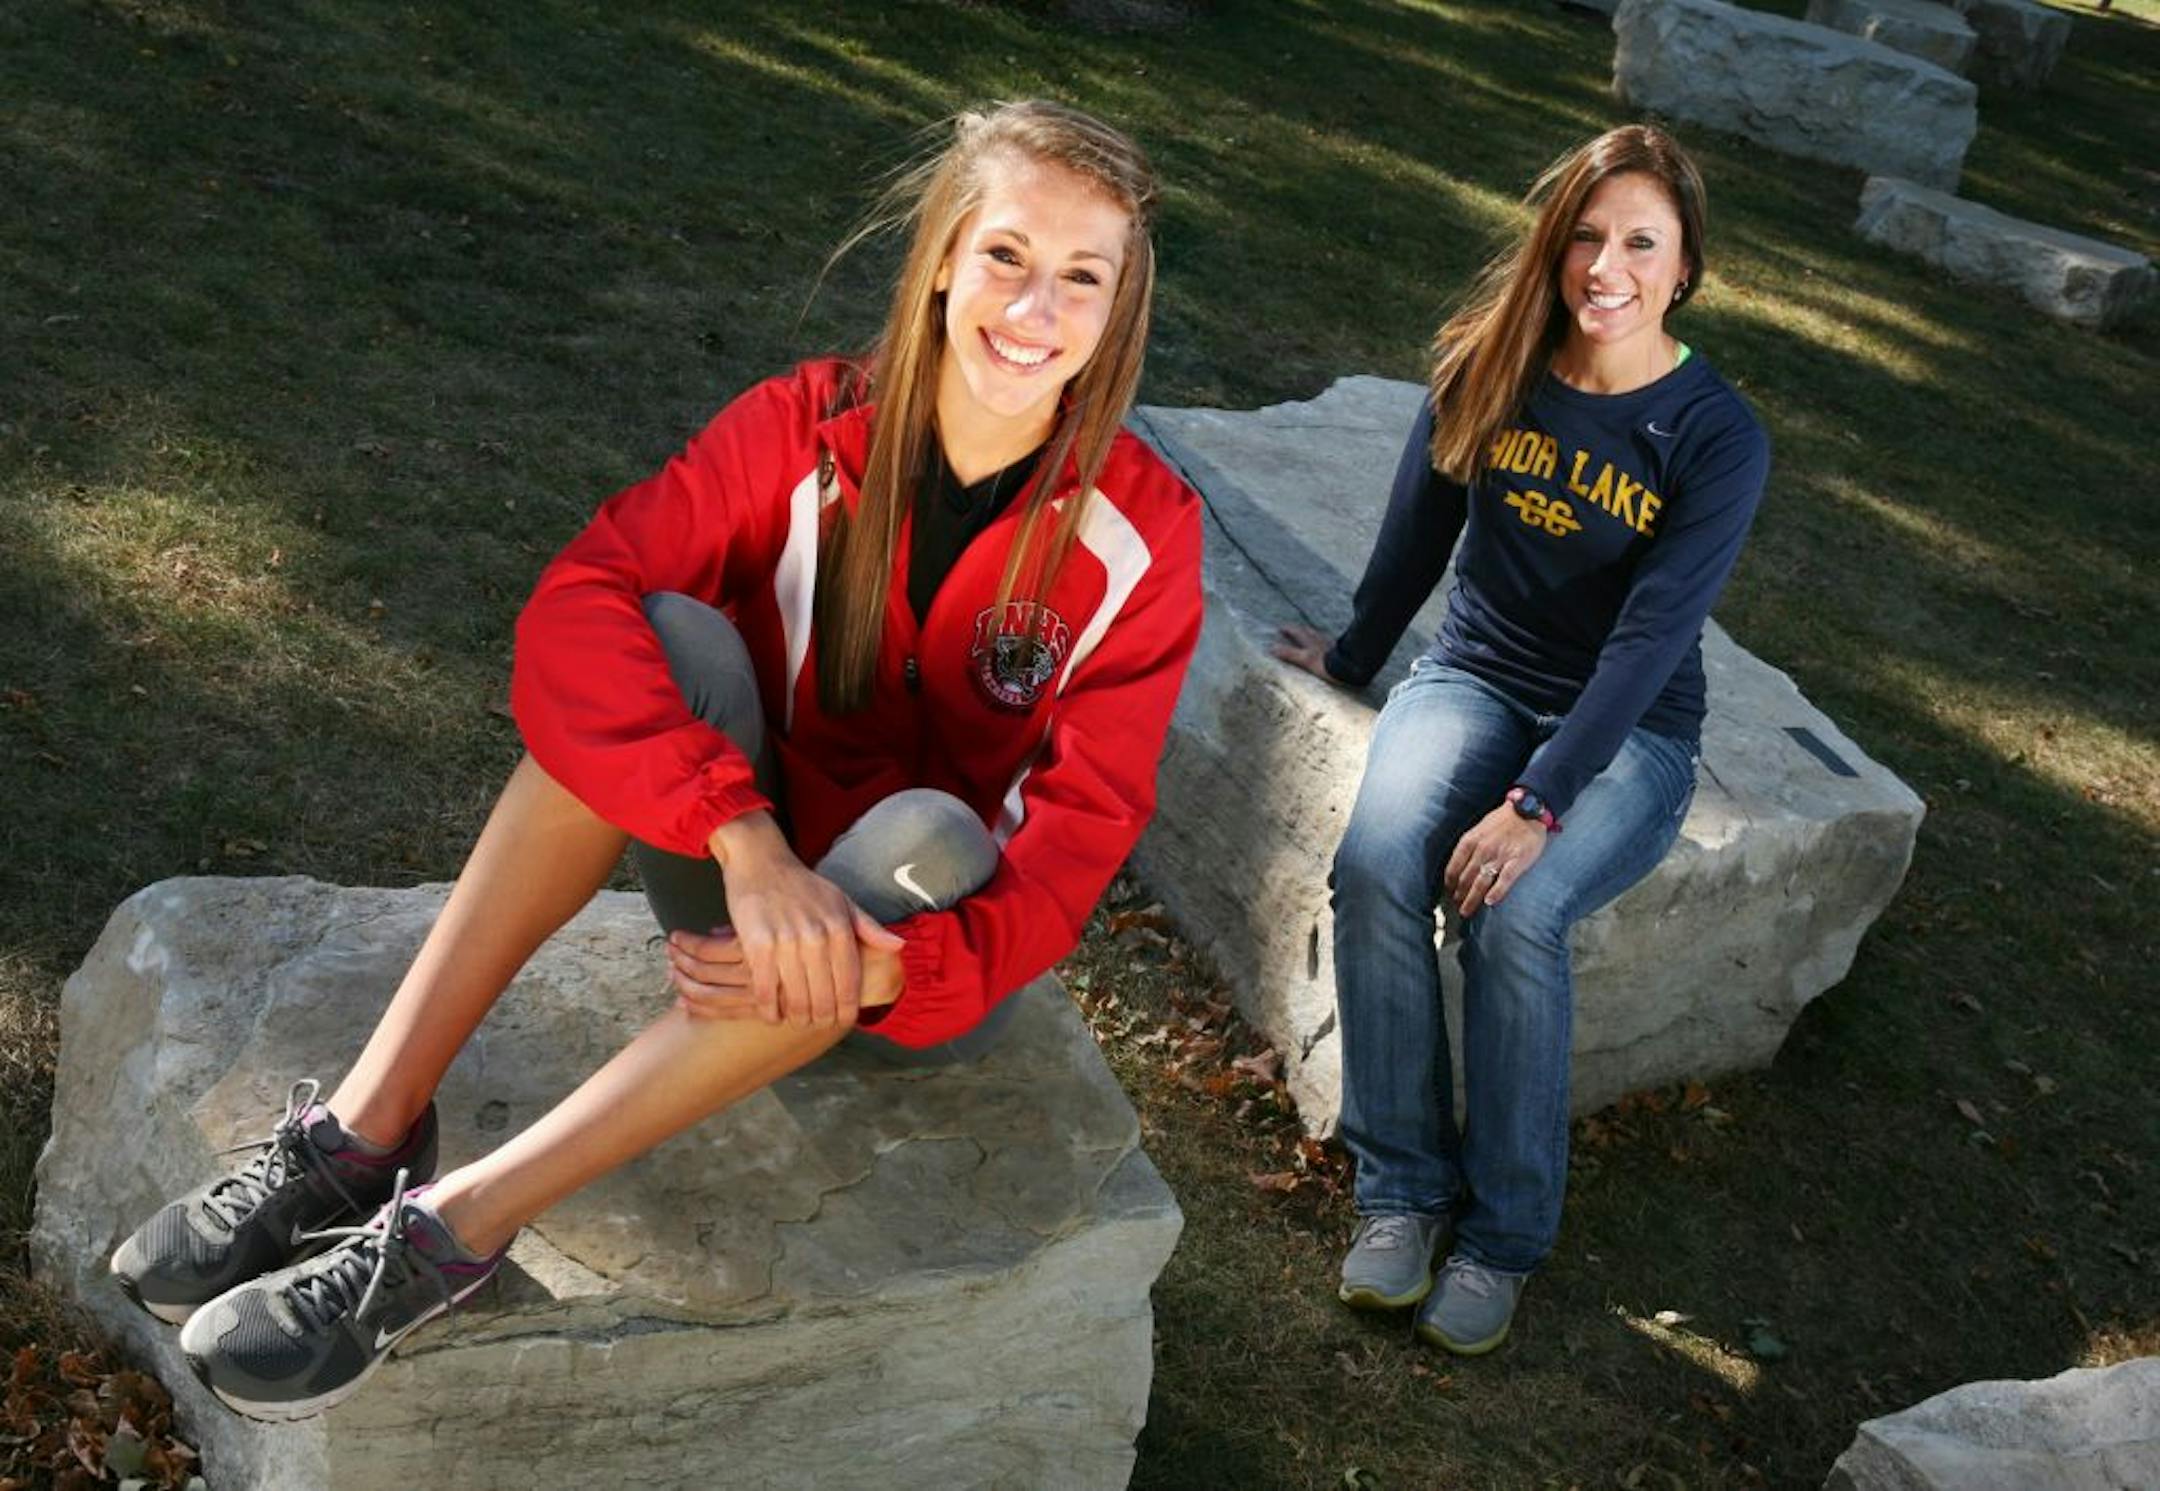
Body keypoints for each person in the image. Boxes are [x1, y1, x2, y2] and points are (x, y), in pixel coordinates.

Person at [109, 99, 1202, 1421]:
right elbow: (579, 604)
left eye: (1082, 277)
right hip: (743, 902)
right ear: (942, 263)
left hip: (912, 968)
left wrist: (888, 955)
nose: (1036, 307)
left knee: (927, 828)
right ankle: (365, 1129)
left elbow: (1080, 835)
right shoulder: (807, 422)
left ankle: (456, 1227)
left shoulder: (1145, 532)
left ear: (1118, 310)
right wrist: (743, 840)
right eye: (1009, 256)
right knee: (653, 641)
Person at [1275, 124, 1769, 1356]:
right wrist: (1350, 657)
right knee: (1380, 863)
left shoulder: (1715, 435)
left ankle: (1503, 1240)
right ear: (1554, 251)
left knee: (1515, 916)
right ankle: (1401, 1194)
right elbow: (1414, 536)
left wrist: (1536, 803)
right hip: (1477, 677)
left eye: (1642, 242)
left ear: (1687, 267)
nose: (1610, 266)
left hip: (1630, 734)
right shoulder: (1489, 365)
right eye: (1588, 238)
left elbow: (1651, 644)